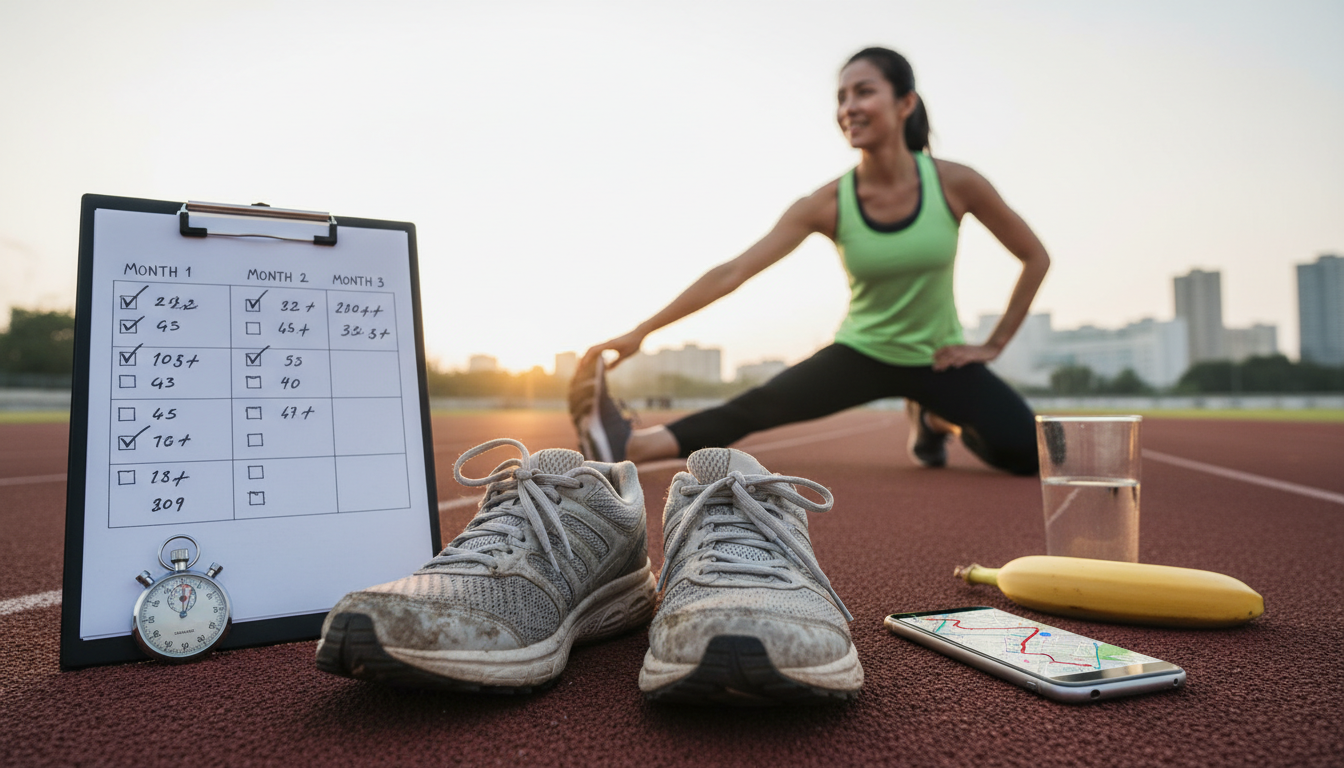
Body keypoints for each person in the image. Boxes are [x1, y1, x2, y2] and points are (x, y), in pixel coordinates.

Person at [572, 46, 1049, 475]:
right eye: (841, 98)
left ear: (906, 103)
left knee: (1031, 455)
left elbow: (1034, 257)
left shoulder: (956, 183)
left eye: (864, 92)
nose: (848, 108)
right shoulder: (826, 203)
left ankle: (934, 419)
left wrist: (993, 345)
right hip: (861, 353)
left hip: (938, 360)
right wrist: (642, 332)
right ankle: (633, 444)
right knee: (757, 406)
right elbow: (732, 272)